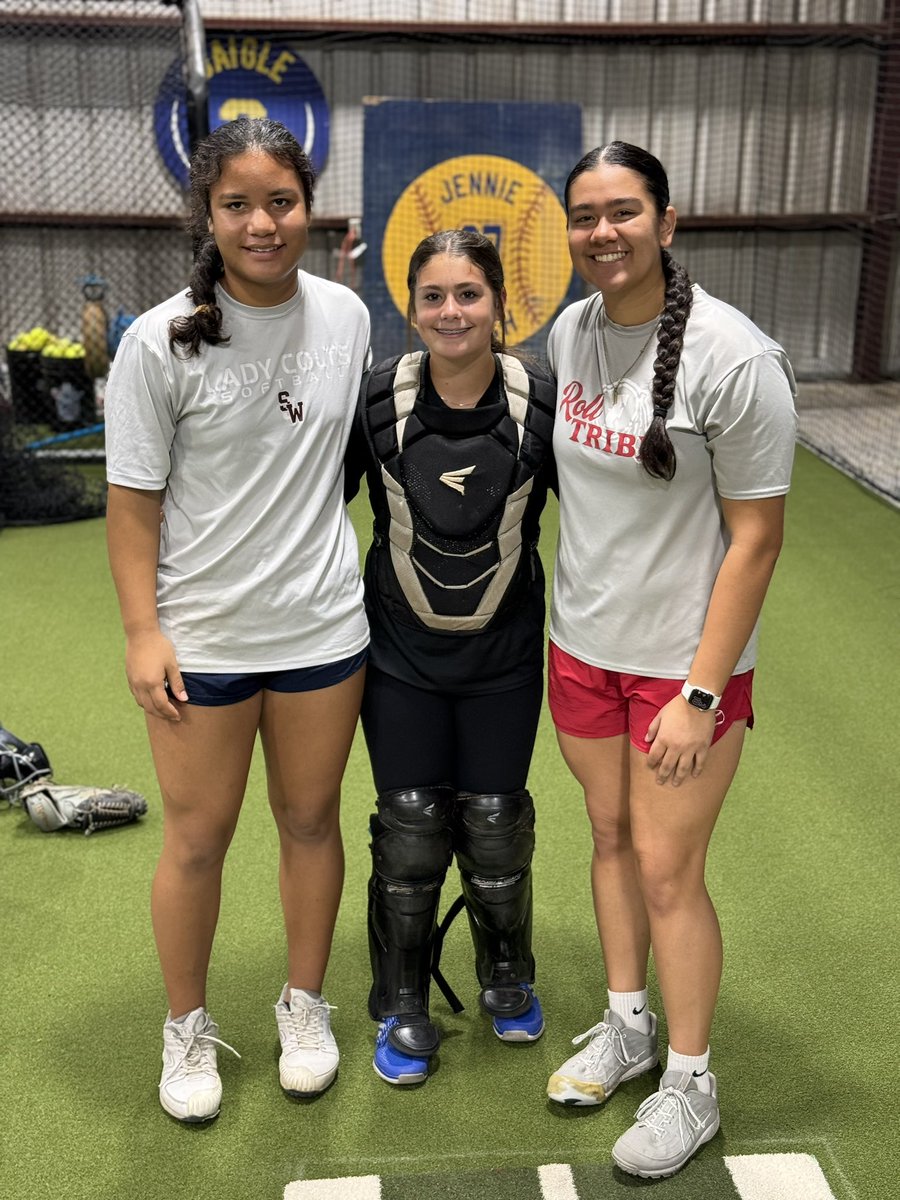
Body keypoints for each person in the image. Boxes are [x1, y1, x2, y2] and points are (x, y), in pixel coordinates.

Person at [104, 117, 371, 1123]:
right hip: (202, 639)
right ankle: (186, 1030)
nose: (262, 224)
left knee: (309, 820)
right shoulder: (157, 339)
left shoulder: (346, 320)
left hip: (321, 632)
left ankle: (304, 1007)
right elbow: (132, 505)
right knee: (197, 838)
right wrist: (143, 631)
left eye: (280, 202)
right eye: (237, 205)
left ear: (308, 205)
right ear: (207, 215)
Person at [545, 142, 797, 1178]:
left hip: (680, 672)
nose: (603, 232)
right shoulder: (571, 331)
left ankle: (691, 1083)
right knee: (608, 839)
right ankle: (628, 1024)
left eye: (623, 212)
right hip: (581, 649)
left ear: (667, 221)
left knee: (668, 869)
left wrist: (700, 693)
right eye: (585, 215)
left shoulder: (736, 359)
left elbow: (757, 538)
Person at [344, 230, 556, 1086]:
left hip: (505, 661)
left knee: (498, 827)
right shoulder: (375, 401)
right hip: (398, 660)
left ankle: (507, 970)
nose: (451, 312)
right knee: (409, 830)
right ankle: (400, 998)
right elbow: (316, 510)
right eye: (433, 296)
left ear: (499, 303)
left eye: (468, 294)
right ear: (411, 306)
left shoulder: (539, 399)